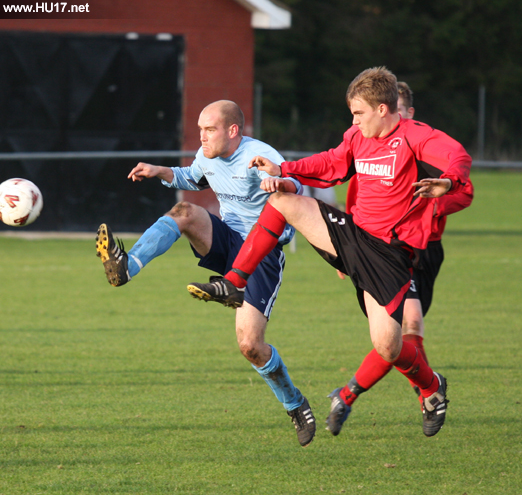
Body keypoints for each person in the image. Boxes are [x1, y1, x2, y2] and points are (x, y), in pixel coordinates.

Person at [187, 67, 472, 438]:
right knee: (283, 200)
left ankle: (432, 388)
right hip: (352, 236)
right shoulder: (357, 136)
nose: (353, 121)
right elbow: (330, 163)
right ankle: (234, 282)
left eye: (359, 113)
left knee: (388, 346)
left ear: (383, 109)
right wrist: (285, 168)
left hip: (390, 256)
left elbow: (458, 156)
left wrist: (448, 182)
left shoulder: (415, 136)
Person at [95, 100, 316, 447]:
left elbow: (295, 185)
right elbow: (192, 178)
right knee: (185, 211)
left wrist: (280, 184)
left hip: (262, 254)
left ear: (232, 131)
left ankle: (294, 403)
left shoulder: (258, 156)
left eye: (209, 129)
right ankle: (126, 266)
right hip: (228, 242)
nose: (202, 136)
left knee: (250, 346)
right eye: (200, 129)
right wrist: (160, 171)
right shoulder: (208, 155)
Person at [327, 81, 474, 436]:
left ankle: (348, 395)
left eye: (407, 112)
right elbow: (355, 198)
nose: (403, 119)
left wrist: (432, 202)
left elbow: (464, 193)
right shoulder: (377, 150)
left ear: (410, 115)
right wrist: (346, 256)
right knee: (405, 329)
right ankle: (423, 393)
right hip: (383, 250)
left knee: (403, 335)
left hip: (425, 250)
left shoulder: (424, 149)